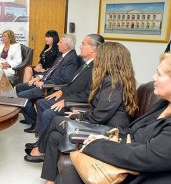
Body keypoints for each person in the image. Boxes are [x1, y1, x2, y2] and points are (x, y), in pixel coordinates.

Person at [29, 42, 138, 184]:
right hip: (102, 125)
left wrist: (77, 116)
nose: (97, 58)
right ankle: (50, 180)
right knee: (55, 136)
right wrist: (78, 115)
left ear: (108, 59)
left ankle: (41, 149)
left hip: (110, 132)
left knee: (56, 120)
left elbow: (100, 115)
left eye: (100, 55)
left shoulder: (113, 82)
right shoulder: (112, 80)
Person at [57, 52, 171, 184]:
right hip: (128, 159)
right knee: (68, 173)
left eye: (159, 74)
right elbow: (132, 132)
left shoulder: (113, 82)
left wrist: (96, 145)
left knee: (68, 177)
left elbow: (145, 156)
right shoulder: (162, 104)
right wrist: (106, 138)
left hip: (140, 174)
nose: (153, 77)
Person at [23, 34, 104, 144]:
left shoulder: (96, 68)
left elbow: (88, 94)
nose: (80, 46)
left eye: (83, 44)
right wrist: (61, 91)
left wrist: (66, 101)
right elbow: (72, 83)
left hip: (75, 102)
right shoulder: (86, 63)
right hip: (67, 95)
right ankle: (41, 141)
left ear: (93, 48)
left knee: (47, 113)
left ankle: (42, 147)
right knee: (41, 103)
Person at [16, 34, 79, 132]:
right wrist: (38, 77)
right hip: (43, 81)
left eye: (60, 42)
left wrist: (44, 83)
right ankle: (30, 118)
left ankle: (34, 123)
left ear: (66, 46)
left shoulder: (71, 59)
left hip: (49, 87)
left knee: (21, 96)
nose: (57, 44)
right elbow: (51, 71)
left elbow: (65, 79)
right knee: (19, 87)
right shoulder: (62, 55)